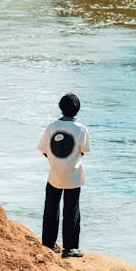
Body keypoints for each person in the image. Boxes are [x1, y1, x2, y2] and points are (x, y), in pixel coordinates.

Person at [37, 93, 90, 258]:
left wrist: (56, 162)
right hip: (73, 175)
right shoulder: (81, 129)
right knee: (71, 210)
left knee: (51, 209)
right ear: (77, 110)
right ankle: (70, 248)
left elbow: (45, 150)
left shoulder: (52, 126)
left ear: (61, 108)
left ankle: (48, 243)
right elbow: (84, 150)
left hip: (54, 174)